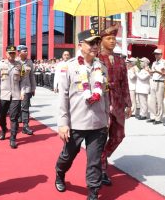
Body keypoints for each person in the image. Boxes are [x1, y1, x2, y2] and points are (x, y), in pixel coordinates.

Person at [55, 29, 109, 200]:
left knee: (94, 161)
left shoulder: (102, 67)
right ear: (80, 45)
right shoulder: (68, 67)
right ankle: (59, 173)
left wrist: (106, 117)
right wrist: (63, 123)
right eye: (91, 43)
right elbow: (63, 96)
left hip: (98, 123)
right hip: (76, 122)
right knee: (67, 155)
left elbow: (106, 95)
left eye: (97, 43)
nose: (95, 46)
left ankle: (93, 192)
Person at [98, 25, 131, 185]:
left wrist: (128, 104)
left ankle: (102, 156)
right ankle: (102, 169)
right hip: (101, 102)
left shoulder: (120, 59)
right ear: (101, 40)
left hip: (117, 101)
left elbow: (125, 83)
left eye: (114, 39)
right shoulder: (96, 59)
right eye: (108, 38)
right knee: (101, 136)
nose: (112, 41)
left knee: (119, 136)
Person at [0, 45, 24, 149]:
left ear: (16, 53)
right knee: (1, 116)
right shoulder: (0, 65)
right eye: (10, 53)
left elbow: (23, 81)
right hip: (3, 95)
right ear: (6, 54)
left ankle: (13, 138)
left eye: (13, 53)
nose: (12, 55)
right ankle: (3, 129)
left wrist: (22, 92)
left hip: (15, 95)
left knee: (14, 117)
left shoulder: (19, 65)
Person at [17, 45, 36, 135]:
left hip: (26, 88)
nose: (26, 52)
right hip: (15, 89)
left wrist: (33, 88)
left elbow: (32, 75)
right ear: (19, 52)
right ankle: (15, 125)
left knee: (25, 108)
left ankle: (25, 126)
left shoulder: (29, 62)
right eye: (24, 51)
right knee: (15, 108)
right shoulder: (15, 62)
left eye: (26, 51)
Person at [148, 49, 165, 124]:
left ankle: (159, 118)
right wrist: (150, 72)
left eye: (157, 54)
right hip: (153, 82)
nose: (156, 55)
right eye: (155, 54)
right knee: (152, 101)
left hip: (160, 82)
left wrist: (156, 71)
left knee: (159, 101)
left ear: (161, 54)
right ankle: (153, 116)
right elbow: (152, 74)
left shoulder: (164, 62)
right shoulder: (154, 63)